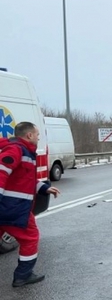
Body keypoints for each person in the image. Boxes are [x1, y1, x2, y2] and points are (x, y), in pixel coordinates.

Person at [0, 122, 60, 287]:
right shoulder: (17, 150)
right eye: (37, 134)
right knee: (30, 238)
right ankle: (23, 275)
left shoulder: (24, 151)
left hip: (7, 207)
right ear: (29, 135)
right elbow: (1, 171)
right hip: (15, 208)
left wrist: (45, 189)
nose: (39, 137)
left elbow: (25, 180)